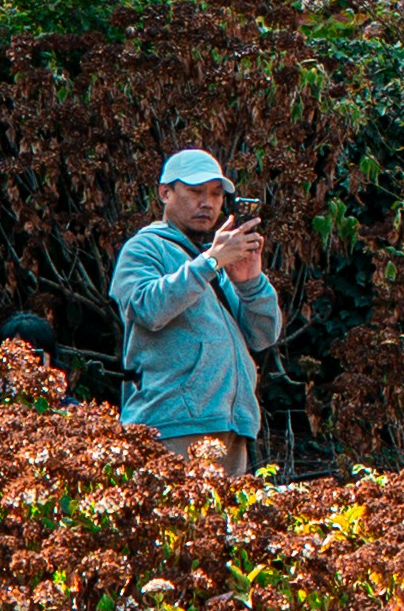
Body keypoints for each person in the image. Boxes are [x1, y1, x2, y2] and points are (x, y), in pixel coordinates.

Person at [110, 144, 283, 462]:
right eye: (195, 191)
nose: (208, 203)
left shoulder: (215, 259)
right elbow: (147, 309)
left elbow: (263, 337)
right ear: (165, 193)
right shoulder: (144, 248)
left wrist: (250, 284)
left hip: (233, 428)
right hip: (170, 427)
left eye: (217, 194)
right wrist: (211, 261)